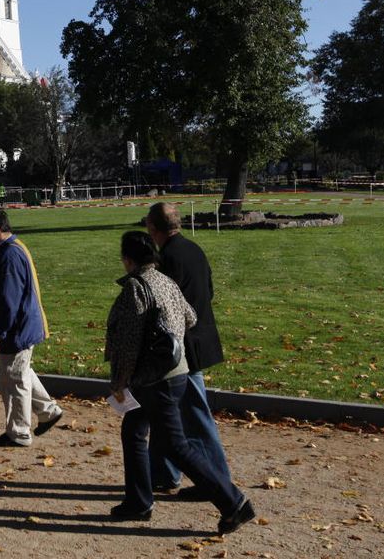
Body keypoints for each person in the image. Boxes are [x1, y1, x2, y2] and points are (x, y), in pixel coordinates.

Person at [105, 231, 255, 534]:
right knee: (133, 431)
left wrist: (120, 381)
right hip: (176, 371)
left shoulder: (136, 287)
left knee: (175, 445)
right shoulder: (165, 281)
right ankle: (138, 501)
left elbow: (130, 342)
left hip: (152, 378)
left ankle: (233, 502)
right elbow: (191, 318)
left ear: (128, 259)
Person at [145, 202, 234, 498]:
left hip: (183, 345)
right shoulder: (194, 249)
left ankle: (215, 480)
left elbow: (164, 307)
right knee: (170, 413)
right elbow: (208, 291)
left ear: (153, 228)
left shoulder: (165, 258)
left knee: (194, 415)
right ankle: (165, 472)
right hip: (199, 337)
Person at [0, 208, 63, 447]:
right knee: (20, 372)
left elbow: (8, 300)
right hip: (25, 323)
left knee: (13, 379)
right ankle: (48, 411)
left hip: (17, 327)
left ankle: (19, 432)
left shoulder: (8, 256)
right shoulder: (14, 248)